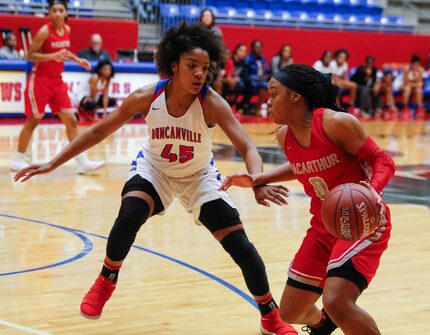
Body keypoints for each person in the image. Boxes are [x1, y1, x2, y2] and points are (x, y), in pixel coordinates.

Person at [14, 23, 297, 335]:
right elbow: (98, 130)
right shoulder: (147, 97)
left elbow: (246, 145)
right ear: (173, 66)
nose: (200, 74)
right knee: (130, 214)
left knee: (241, 246)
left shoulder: (212, 102)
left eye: (205, 67)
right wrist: (53, 163)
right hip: (155, 170)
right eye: (192, 66)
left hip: (199, 177)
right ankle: (106, 279)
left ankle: (270, 316)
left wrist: (258, 180)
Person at [220, 64, 395, 335]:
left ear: (295, 97)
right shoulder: (284, 135)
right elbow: (303, 165)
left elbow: (382, 159)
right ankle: (323, 326)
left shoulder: (335, 123)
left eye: (273, 93)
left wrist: (372, 190)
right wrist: (257, 179)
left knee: (336, 301)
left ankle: (336, 314)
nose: (268, 101)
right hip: (324, 224)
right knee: (291, 311)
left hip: (362, 220)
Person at [10, 0, 105, 173]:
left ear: (66, 14)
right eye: (54, 10)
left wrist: (77, 60)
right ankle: (17, 159)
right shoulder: (45, 31)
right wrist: (54, 55)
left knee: (72, 120)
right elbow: (30, 55)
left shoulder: (67, 30)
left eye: (61, 10)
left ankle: (82, 162)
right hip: (40, 80)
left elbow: (63, 52)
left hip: (57, 81)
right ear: (50, 14)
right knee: (33, 120)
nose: (57, 13)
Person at [243, 40, 269, 115]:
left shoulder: (263, 59)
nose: (258, 49)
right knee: (253, 84)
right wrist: (256, 77)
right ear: (252, 48)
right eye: (256, 47)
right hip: (250, 80)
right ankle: (246, 106)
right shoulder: (247, 59)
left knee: (265, 86)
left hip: (260, 80)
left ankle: (257, 109)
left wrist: (264, 77)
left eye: (260, 47)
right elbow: (245, 74)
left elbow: (265, 71)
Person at [330, 49, 358, 115]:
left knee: (353, 85)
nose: (341, 59)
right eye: (340, 57)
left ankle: (351, 106)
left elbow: (346, 78)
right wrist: (343, 83)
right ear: (336, 57)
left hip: (339, 81)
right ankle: (337, 106)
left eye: (343, 58)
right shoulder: (332, 64)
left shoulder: (345, 64)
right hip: (331, 82)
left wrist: (347, 83)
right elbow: (334, 78)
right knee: (336, 86)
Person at [398, 54, 426, 119]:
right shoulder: (406, 69)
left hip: (413, 87)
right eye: (415, 64)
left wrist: (416, 82)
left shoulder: (420, 70)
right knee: (407, 89)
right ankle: (404, 107)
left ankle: (419, 107)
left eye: (418, 64)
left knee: (418, 90)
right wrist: (415, 84)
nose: (416, 66)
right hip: (403, 86)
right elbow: (405, 82)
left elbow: (420, 82)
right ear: (412, 64)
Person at [223, 43, 248, 113]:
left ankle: (233, 105)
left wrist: (238, 78)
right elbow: (227, 75)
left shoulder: (244, 62)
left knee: (240, 84)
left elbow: (244, 76)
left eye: (244, 51)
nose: (243, 53)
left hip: (232, 80)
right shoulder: (230, 60)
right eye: (241, 50)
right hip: (225, 80)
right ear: (236, 50)